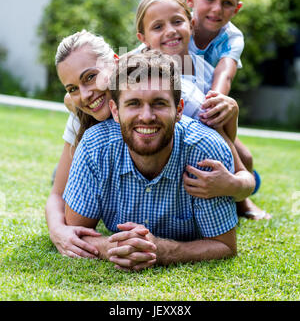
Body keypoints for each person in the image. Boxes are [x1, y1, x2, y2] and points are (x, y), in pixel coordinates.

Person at [63, 51, 238, 270]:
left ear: (179, 110)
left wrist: (162, 250)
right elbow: (75, 233)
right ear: (115, 112)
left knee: (248, 182)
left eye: (159, 103)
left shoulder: (206, 149)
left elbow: (225, 245)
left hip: (234, 176)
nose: (146, 116)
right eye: (134, 103)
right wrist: (114, 248)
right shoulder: (94, 145)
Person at [135, 0, 255, 201]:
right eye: (158, 26)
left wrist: (231, 111)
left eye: (177, 22)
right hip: (157, 148)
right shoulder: (138, 69)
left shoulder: (203, 71)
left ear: (191, 24)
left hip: (199, 143)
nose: (170, 30)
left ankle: (243, 202)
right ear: (143, 38)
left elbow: (219, 130)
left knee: (245, 158)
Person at [186, 0, 271, 220]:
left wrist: (217, 99)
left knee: (245, 156)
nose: (216, 9)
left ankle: (241, 202)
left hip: (205, 102)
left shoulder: (232, 37)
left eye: (227, 3)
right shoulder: (180, 25)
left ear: (237, 8)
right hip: (179, 100)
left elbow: (225, 71)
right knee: (236, 152)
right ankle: (243, 199)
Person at [45, 30, 118, 258]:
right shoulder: (80, 116)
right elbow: (57, 194)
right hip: (82, 170)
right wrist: (58, 230)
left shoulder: (155, 99)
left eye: (90, 77)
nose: (85, 95)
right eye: (73, 89)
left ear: (115, 64)